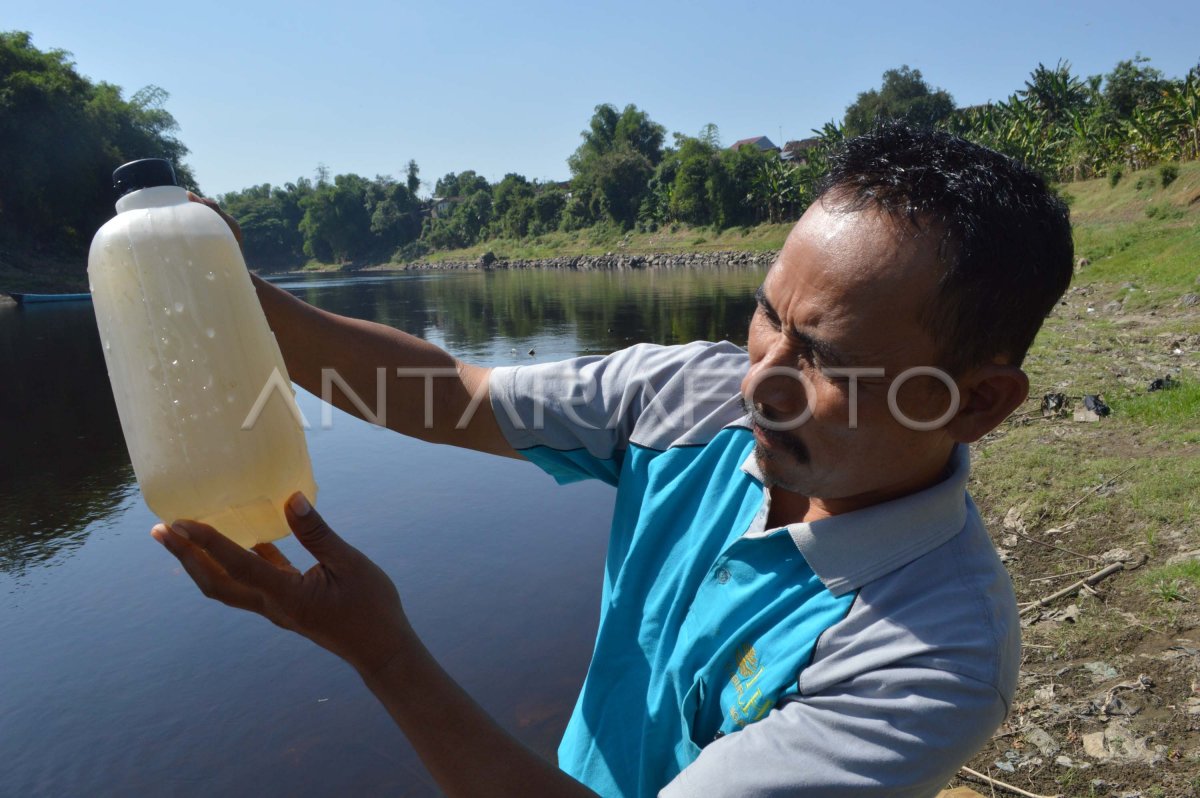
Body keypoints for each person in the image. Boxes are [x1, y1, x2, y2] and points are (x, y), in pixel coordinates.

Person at [154, 124, 1074, 797]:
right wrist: (241, 297)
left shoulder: (932, 659)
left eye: (828, 359)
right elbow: (452, 396)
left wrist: (382, 652)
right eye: (769, 318)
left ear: (977, 402)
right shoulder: (685, 395)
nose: (760, 384)